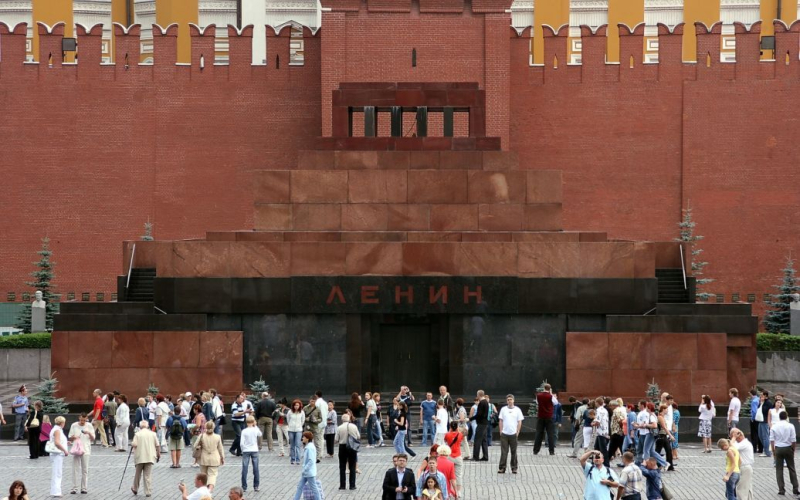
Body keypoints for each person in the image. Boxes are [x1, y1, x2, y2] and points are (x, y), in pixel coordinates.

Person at [770, 410, 798, 496]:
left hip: (778, 448)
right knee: (791, 468)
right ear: (786, 417)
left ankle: (781, 489)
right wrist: (793, 449)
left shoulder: (774, 426)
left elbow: (772, 440)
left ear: (779, 417)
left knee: (779, 469)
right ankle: (795, 488)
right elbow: (793, 440)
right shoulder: (790, 426)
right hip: (788, 447)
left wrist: (773, 451)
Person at [68, 412, 95, 494]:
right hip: (76, 449)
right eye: (81, 420)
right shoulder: (74, 425)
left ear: (86, 419)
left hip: (86, 449)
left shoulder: (89, 425)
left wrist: (89, 433)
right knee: (75, 469)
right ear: (79, 418)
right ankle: (74, 488)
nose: (83, 422)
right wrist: (74, 437)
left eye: (84, 420)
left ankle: (84, 488)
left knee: (85, 469)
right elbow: (70, 437)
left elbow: (93, 438)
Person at [131, 420, 159, 496]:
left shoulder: (137, 434)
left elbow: (134, 444)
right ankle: (148, 491)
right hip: (149, 457)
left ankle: (135, 488)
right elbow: (157, 445)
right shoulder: (153, 434)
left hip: (140, 457)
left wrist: (132, 444)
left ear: (140, 427)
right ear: (147, 426)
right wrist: (158, 454)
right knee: (147, 475)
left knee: (137, 474)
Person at [195, 420, 225, 492]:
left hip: (204, 458)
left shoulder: (201, 436)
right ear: (213, 427)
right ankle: (210, 490)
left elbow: (195, 445)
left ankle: (203, 490)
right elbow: (220, 448)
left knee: (204, 475)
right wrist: (222, 457)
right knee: (212, 475)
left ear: (206, 427)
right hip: (214, 458)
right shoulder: (217, 437)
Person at [498, 394, 524, 474]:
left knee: (514, 452)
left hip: (513, 434)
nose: (509, 401)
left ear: (513, 400)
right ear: (507, 401)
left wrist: (518, 431)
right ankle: (502, 468)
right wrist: (501, 431)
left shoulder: (517, 410)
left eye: (511, 399)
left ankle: (514, 468)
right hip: (504, 434)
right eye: (508, 400)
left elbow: (519, 421)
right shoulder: (503, 409)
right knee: (504, 452)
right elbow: (501, 420)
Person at [293, 431, 322, 500]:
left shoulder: (309, 448)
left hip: (309, 472)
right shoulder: (309, 447)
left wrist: (305, 469)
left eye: (304, 437)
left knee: (314, 488)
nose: (302, 438)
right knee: (300, 486)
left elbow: (311, 461)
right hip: (307, 472)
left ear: (307, 439)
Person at [335, 413, 360, 490]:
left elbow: (336, 439)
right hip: (352, 447)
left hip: (342, 447)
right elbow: (358, 436)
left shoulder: (339, 428)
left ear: (342, 420)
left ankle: (342, 485)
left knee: (342, 466)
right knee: (352, 466)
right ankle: (352, 485)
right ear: (349, 419)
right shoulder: (354, 426)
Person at [730, 427, 754, 500]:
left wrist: (733, 437)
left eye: (732, 436)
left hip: (744, 468)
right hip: (746, 468)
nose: (732, 438)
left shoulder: (744, 444)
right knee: (747, 488)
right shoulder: (742, 443)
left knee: (741, 489)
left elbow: (732, 447)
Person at [48, 415, 69, 497]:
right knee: (57, 473)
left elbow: (57, 441)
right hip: (57, 454)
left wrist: (65, 443)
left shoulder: (56, 429)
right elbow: (57, 442)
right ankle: (56, 491)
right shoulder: (57, 430)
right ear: (62, 423)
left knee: (57, 472)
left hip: (56, 454)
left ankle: (55, 490)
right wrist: (65, 450)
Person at [240, 415, 262, 492]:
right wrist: (255, 426)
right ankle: (256, 486)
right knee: (256, 468)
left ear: (246, 422)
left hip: (246, 450)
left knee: (244, 468)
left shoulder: (244, 431)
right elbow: (260, 434)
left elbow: (242, 443)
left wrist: (243, 450)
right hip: (254, 450)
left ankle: (244, 486)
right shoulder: (255, 430)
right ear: (253, 422)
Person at [533, 383, 555, 455]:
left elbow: (537, 402)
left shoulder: (538, 395)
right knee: (550, 434)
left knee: (539, 433)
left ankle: (536, 450)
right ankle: (551, 451)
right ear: (550, 388)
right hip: (549, 417)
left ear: (543, 388)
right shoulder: (551, 396)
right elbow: (556, 403)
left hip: (541, 416)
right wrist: (551, 394)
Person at [444, 421, 465, 496]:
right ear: (457, 427)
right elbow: (464, 434)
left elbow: (445, 440)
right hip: (458, 456)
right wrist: (458, 431)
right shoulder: (460, 435)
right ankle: (458, 491)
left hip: (449, 456)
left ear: (450, 427)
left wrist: (450, 431)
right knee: (458, 475)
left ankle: (449, 491)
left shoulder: (447, 434)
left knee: (448, 475)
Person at [654, 404, 675, 471]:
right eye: (666, 409)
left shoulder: (662, 417)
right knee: (657, 451)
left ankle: (670, 466)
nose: (667, 411)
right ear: (663, 409)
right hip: (661, 436)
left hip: (664, 436)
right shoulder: (660, 417)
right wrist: (671, 435)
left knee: (668, 450)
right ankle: (658, 464)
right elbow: (664, 427)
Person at [470, 390, 489, 460]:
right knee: (484, 440)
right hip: (485, 423)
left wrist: (470, 418)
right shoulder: (486, 402)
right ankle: (485, 456)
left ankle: (476, 456)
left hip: (481, 424)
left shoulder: (481, 403)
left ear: (478, 395)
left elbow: (479, 414)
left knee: (477, 440)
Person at [287, 399, 306, 465]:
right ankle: (292, 459)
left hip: (298, 430)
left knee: (298, 445)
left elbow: (303, 421)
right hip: (291, 430)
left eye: (297, 405)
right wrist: (290, 426)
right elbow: (288, 420)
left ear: (300, 405)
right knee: (292, 445)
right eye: (295, 405)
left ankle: (298, 459)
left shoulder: (302, 412)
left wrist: (299, 426)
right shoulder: (290, 412)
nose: (296, 406)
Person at [757, 390, 773, 458]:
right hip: (761, 420)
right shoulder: (762, 402)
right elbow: (758, 410)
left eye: (762, 395)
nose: (761, 397)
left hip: (765, 421)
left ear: (766, 396)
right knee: (760, 436)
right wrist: (761, 403)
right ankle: (766, 450)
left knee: (765, 437)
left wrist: (762, 402)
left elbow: (765, 411)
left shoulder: (768, 403)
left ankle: (767, 452)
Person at [190, 402, 206, 467]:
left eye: (194, 409)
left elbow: (198, 425)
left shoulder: (198, 416)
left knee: (196, 448)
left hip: (197, 434)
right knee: (199, 448)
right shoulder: (202, 415)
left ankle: (196, 462)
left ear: (196, 410)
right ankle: (197, 461)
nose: (193, 410)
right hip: (202, 433)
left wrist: (192, 429)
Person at [314, 391, 328, 456]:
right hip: (324, 422)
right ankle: (321, 453)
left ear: (316, 395)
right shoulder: (325, 403)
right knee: (321, 438)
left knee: (317, 438)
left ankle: (318, 453)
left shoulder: (317, 403)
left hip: (318, 423)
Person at [749, 388, 761, 454]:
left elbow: (754, 411)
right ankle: (759, 447)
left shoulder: (753, 401)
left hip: (754, 419)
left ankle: (754, 448)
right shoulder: (758, 399)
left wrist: (753, 419)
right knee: (758, 433)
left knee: (754, 434)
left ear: (751, 394)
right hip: (759, 419)